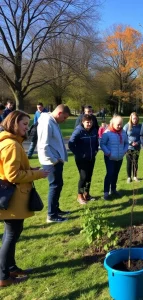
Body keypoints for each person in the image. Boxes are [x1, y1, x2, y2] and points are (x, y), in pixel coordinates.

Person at [0, 111, 49, 287]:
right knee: (11, 235)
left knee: (10, 234)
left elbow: (12, 169)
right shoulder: (11, 145)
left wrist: (31, 168)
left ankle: (10, 268)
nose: (27, 127)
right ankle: (3, 276)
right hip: (13, 198)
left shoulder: (11, 142)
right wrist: (37, 174)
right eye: (24, 124)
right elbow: (13, 175)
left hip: (13, 197)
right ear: (14, 123)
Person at [37, 104, 71, 223]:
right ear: (59, 113)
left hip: (56, 160)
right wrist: (54, 160)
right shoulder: (46, 122)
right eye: (65, 117)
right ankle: (51, 215)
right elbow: (42, 145)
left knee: (58, 185)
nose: (64, 120)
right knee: (55, 186)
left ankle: (55, 209)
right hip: (51, 162)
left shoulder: (52, 121)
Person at [68, 114, 98, 205]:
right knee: (83, 177)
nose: (89, 124)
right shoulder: (78, 131)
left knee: (89, 177)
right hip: (81, 159)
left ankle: (87, 194)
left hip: (91, 157)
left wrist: (96, 150)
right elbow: (71, 144)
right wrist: (80, 154)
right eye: (87, 122)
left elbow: (96, 141)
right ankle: (80, 195)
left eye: (91, 122)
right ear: (83, 122)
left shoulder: (94, 131)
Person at [100, 115, 128, 200]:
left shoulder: (123, 132)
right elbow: (102, 144)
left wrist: (124, 151)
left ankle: (113, 190)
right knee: (110, 173)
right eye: (118, 124)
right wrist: (108, 153)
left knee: (115, 174)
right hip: (110, 158)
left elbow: (126, 143)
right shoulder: (107, 132)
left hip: (119, 157)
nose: (119, 126)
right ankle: (106, 192)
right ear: (113, 123)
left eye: (121, 124)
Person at [123, 112, 142, 183]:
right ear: (131, 118)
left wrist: (138, 142)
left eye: (136, 119)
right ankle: (129, 177)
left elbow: (142, 136)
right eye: (134, 118)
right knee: (129, 162)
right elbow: (124, 136)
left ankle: (135, 176)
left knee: (135, 162)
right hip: (128, 148)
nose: (135, 120)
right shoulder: (127, 126)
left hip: (137, 147)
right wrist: (130, 142)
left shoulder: (140, 126)